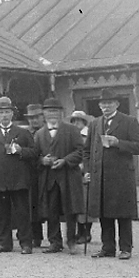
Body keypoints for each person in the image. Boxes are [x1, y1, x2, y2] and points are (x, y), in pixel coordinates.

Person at [84, 88, 139, 260]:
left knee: (123, 213)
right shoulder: (95, 123)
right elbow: (87, 150)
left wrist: (118, 142)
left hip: (121, 177)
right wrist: (87, 170)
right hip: (100, 176)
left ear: (117, 104)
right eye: (103, 103)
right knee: (104, 213)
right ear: (99, 105)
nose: (106, 106)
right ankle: (108, 248)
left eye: (110, 103)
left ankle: (125, 248)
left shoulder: (129, 121)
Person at [0, 97, 36, 254]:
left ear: (12, 114)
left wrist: (21, 151)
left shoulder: (23, 133)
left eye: (7, 112)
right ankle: (4, 243)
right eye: (1, 112)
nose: (4, 115)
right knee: (2, 214)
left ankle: (26, 243)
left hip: (18, 180)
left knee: (22, 213)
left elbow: (34, 153)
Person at [33, 97, 85, 254]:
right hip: (48, 178)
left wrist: (65, 160)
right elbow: (35, 155)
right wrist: (43, 160)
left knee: (70, 210)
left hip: (68, 176)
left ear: (61, 113)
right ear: (44, 114)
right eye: (49, 111)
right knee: (51, 210)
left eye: (55, 111)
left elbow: (80, 151)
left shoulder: (72, 130)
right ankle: (55, 242)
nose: (52, 114)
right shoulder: (39, 134)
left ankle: (71, 241)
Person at [24, 103, 46, 247]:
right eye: (31, 118)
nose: (34, 120)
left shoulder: (47, 132)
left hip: (47, 171)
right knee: (32, 204)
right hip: (31, 173)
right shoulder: (26, 133)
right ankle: (35, 235)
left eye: (37, 117)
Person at [70, 110, 94, 243]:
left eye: (78, 120)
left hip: (85, 171)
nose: (76, 123)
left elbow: (91, 154)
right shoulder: (71, 135)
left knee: (86, 204)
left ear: (84, 121)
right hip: (73, 172)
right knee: (76, 203)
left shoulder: (89, 135)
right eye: (73, 121)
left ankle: (86, 233)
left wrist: (87, 170)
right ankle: (79, 232)